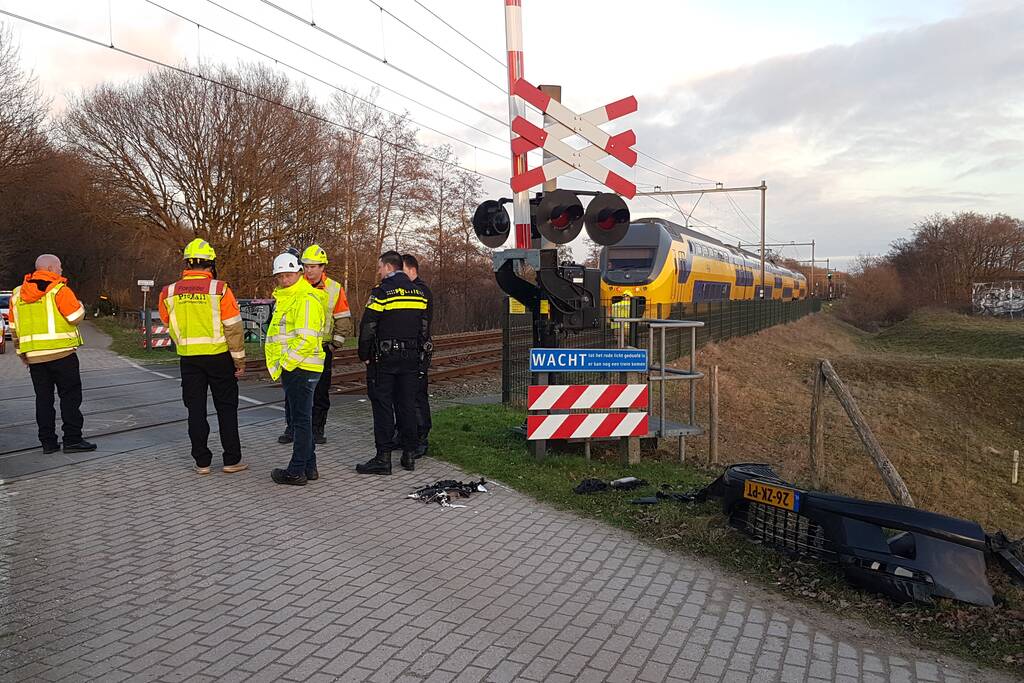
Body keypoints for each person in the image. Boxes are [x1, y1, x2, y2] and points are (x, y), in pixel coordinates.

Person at [159, 238, 248, 475]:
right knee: (226, 409)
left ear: (187, 264)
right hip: (219, 357)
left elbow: (168, 321)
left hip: (189, 359)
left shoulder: (168, 292)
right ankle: (231, 459)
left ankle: (202, 462)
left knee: (195, 410)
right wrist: (239, 360)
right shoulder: (220, 289)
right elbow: (233, 327)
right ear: (211, 265)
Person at [9, 254, 96, 454]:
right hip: (62, 355)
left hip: (34, 357)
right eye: (59, 267)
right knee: (70, 398)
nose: (61, 271)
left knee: (43, 399)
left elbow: (13, 327)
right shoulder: (59, 290)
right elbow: (75, 317)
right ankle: (72, 440)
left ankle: (48, 443)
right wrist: (81, 306)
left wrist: (21, 352)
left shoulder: (17, 294)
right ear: (49, 268)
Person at [356, 251, 430, 475]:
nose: (378, 272)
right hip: (410, 358)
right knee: (407, 405)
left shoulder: (382, 293)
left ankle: (383, 458)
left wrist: (364, 354)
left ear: (388, 267)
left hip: (385, 359)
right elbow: (424, 327)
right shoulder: (419, 293)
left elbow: (368, 326)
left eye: (380, 267)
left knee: (383, 406)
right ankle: (409, 455)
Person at [277, 244, 353, 445]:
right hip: (296, 346)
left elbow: (343, 318)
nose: (309, 270)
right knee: (291, 391)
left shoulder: (334, 289)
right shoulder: (294, 284)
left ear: (322, 267)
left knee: (320, 392)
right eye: (306, 266)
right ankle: (292, 427)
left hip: (321, 348)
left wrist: (335, 344)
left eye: (313, 266)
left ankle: (317, 429)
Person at [265, 252, 327, 486]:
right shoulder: (288, 297)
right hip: (296, 366)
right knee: (303, 419)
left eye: (289, 274)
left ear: (299, 273)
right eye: (280, 276)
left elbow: (307, 338)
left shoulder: (305, 298)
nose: (284, 279)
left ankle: (296, 471)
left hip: (301, 366)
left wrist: (286, 363)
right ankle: (309, 467)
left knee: (300, 421)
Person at [401, 254, 433, 458]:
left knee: (417, 396)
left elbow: (422, 324)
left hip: (418, 350)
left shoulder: (421, 291)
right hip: (408, 350)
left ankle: (422, 437)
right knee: (403, 396)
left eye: (401, 271)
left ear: (412, 270)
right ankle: (405, 433)